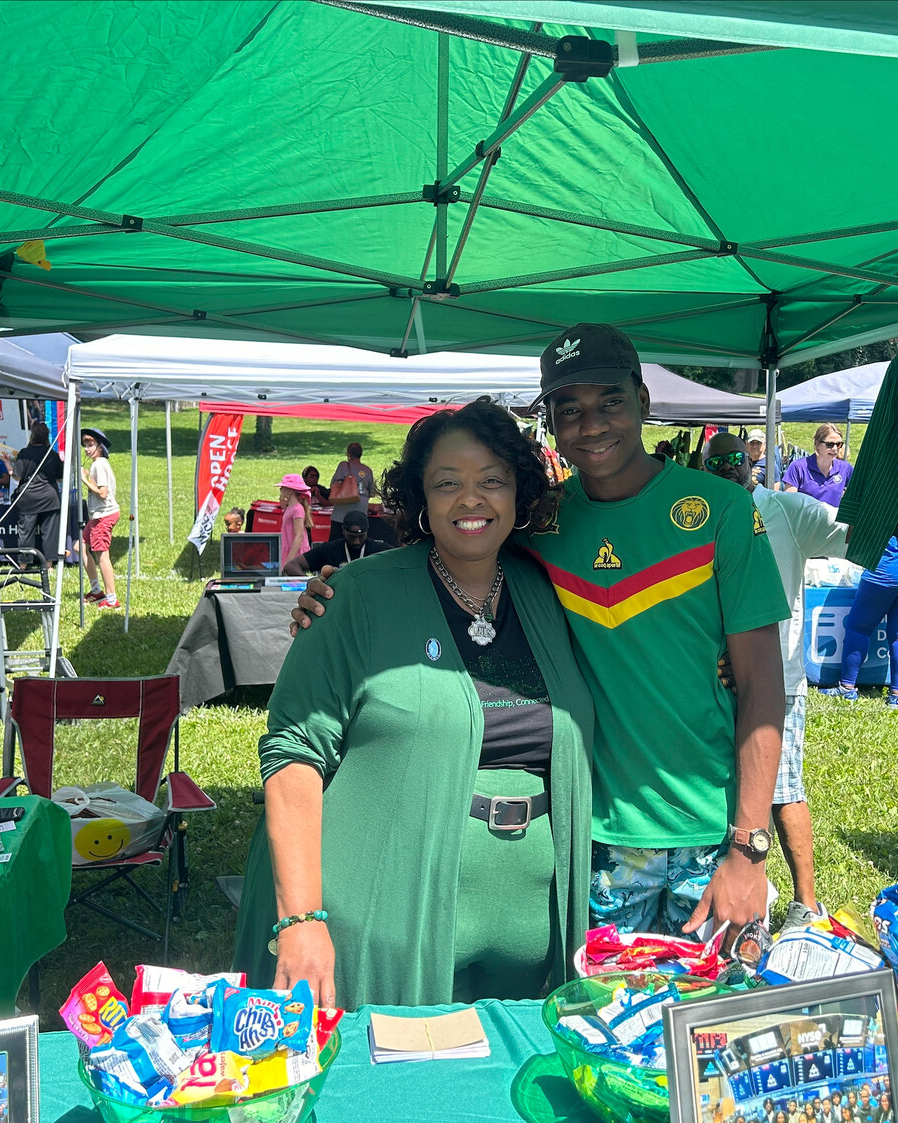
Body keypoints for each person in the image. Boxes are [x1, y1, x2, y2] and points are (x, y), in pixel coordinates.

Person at [294, 324, 789, 944]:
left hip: (714, 835)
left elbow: (763, 686)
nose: (592, 425)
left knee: (715, 1031)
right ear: (551, 423)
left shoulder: (721, 512)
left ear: (644, 401)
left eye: (610, 401)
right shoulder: (540, 523)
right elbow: (451, 545)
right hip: (594, 839)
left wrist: (748, 848)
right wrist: (337, 593)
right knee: (608, 1030)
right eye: (569, 409)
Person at [233, 397, 594, 1008]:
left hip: (538, 936)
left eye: (492, 482)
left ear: (518, 492)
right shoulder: (355, 596)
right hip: (379, 926)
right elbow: (293, 752)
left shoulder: (556, 592)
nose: (471, 499)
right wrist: (300, 920)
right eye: (447, 483)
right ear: (420, 500)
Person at [704, 430, 848, 929]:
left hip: (776, 680)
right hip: (711, 682)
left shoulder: (787, 510)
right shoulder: (696, 514)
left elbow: (854, 532)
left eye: (735, 463)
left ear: (753, 464)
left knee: (783, 791)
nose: (728, 472)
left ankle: (806, 906)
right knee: (728, 791)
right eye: (717, 465)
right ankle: (737, 896)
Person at [819, 536, 898, 708]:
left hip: (885, 572)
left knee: (858, 628)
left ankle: (847, 687)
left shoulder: (884, 508)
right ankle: (897, 695)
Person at [11, 422, 64, 562]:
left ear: (32, 436)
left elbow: (17, 477)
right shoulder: (53, 454)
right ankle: (49, 564)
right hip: (49, 497)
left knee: (26, 532)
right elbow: (60, 477)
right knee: (50, 533)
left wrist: (9, 466)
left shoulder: (24, 453)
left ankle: (23, 563)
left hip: (28, 497)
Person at [80, 428, 120, 609]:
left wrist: (84, 480)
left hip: (104, 515)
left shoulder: (99, 464)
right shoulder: (98, 464)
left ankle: (112, 599)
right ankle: (96, 590)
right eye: (85, 446)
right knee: (80, 546)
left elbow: (103, 493)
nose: (87, 449)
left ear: (100, 446)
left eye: (91, 445)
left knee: (102, 556)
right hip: (97, 515)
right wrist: (90, 480)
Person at [282, 510, 389, 575]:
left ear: (367, 532)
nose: (356, 542)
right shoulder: (330, 549)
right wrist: (310, 583)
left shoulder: (379, 549)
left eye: (361, 537)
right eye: (351, 537)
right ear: (343, 531)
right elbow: (291, 565)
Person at [781, 423, 854, 506]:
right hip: (805, 518)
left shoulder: (845, 468)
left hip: (834, 518)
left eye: (838, 444)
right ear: (817, 444)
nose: (835, 449)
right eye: (829, 445)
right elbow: (788, 501)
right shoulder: (798, 467)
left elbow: (860, 493)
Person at [328, 440, 375, 525]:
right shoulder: (367, 470)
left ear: (348, 454)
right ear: (360, 454)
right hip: (361, 509)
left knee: (337, 534)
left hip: (342, 509)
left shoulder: (343, 465)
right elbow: (372, 492)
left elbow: (333, 484)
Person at [277, 472, 311, 563]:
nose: (280, 489)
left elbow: (299, 536)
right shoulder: (290, 507)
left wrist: (290, 559)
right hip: (289, 548)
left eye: (283, 487)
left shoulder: (297, 509)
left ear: (291, 491)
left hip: (294, 552)